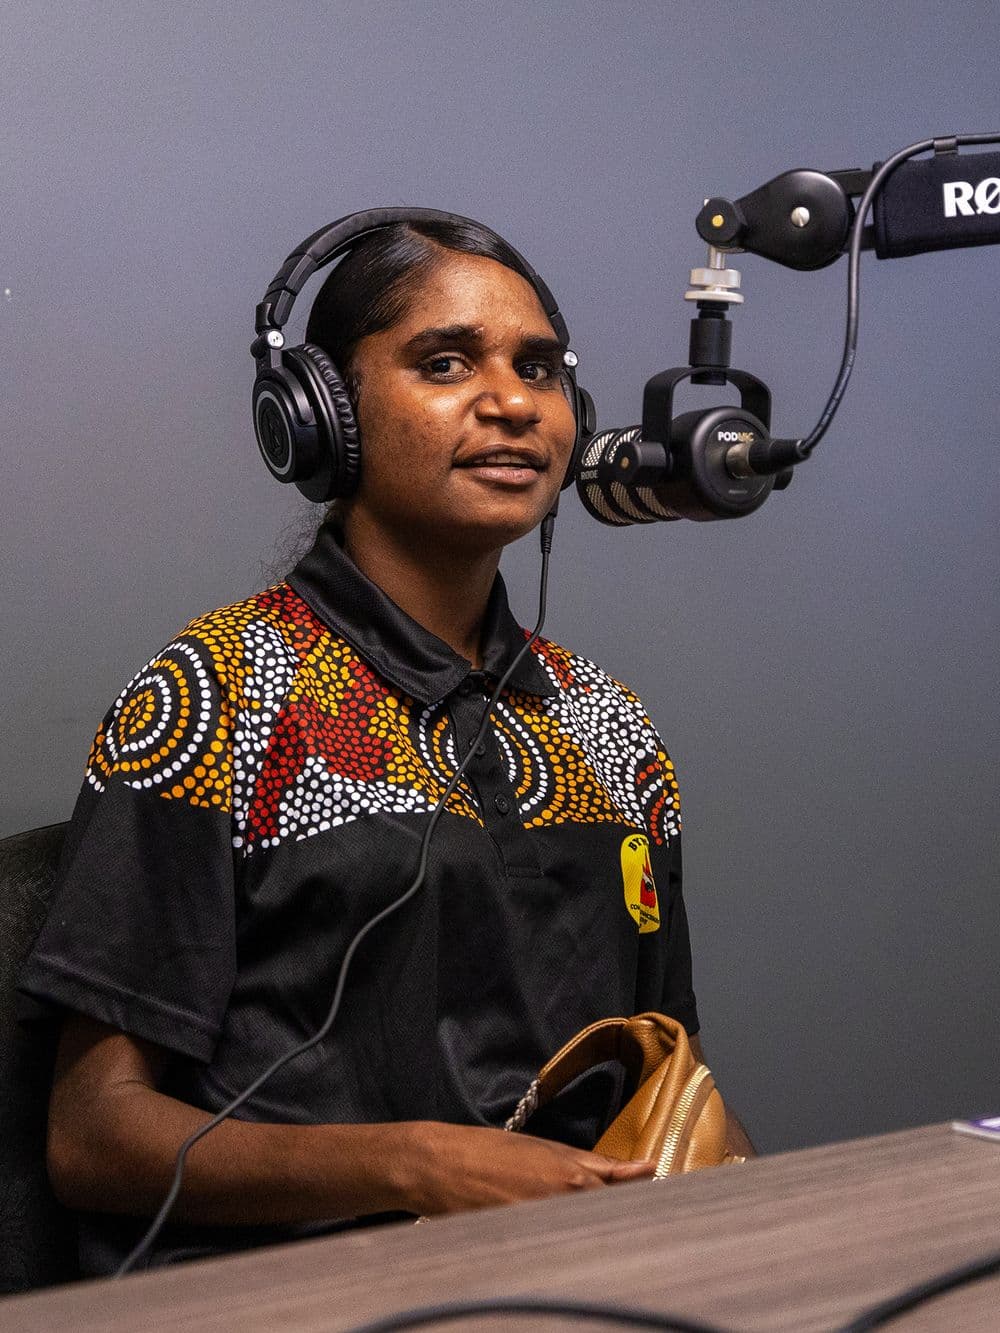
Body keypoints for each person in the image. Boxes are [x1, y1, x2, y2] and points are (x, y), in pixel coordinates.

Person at [20, 214, 754, 1275]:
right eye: (444, 361)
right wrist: (413, 1164)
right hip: (286, 1295)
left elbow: (670, 1080)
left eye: (538, 368)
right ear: (324, 416)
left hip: (575, 1280)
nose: (510, 401)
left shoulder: (612, 727)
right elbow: (92, 1137)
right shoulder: (217, 693)